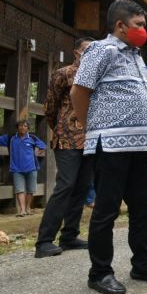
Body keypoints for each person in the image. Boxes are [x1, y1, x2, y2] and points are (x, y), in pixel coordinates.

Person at [71, 0, 147, 294]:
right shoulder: (101, 50)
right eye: (139, 25)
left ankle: (142, 264)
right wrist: (90, 127)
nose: (143, 31)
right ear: (120, 26)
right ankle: (99, 272)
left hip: (140, 146)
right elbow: (80, 91)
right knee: (107, 210)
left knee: (143, 207)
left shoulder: (137, 55)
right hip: (111, 144)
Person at [34, 37, 94, 259]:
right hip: (67, 139)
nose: (89, 53)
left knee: (82, 186)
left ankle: (69, 236)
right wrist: (60, 128)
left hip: (90, 139)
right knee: (66, 185)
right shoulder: (63, 73)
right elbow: (50, 106)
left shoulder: (99, 75)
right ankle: (44, 241)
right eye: (86, 49)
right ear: (76, 51)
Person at [0, 120, 46, 217]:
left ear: (28, 128)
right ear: (17, 127)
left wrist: (37, 152)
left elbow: (42, 146)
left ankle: (28, 208)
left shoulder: (32, 137)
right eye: (21, 125)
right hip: (16, 168)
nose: (23, 127)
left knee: (30, 190)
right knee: (19, 190)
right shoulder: (10, 138)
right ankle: (22, 210)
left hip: (31, 168)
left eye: (25, 126)